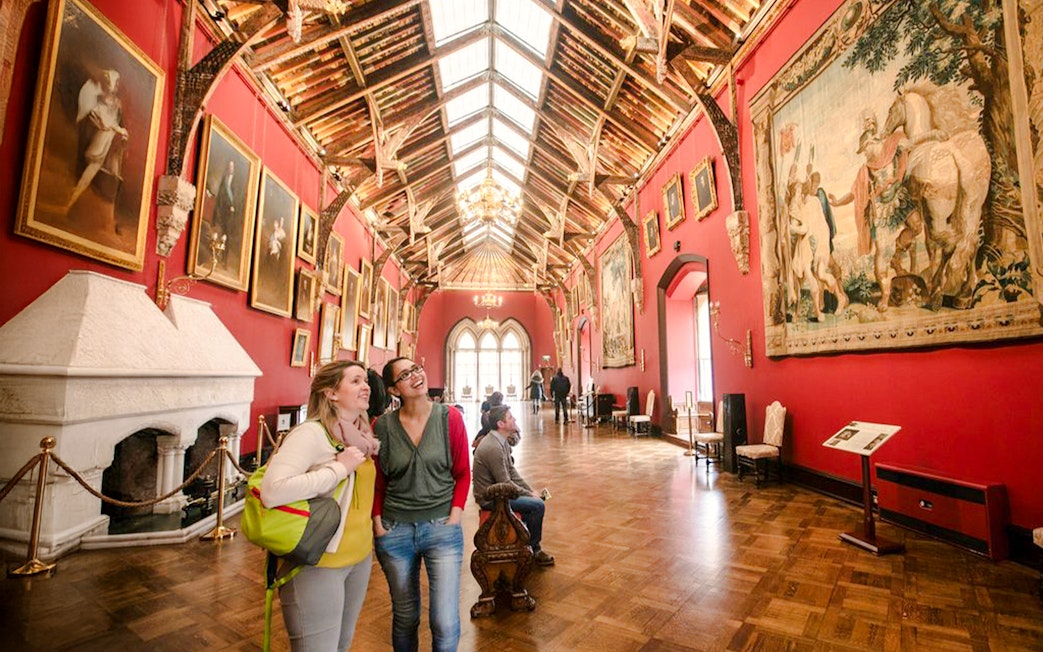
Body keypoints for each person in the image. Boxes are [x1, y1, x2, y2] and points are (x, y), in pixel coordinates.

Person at [259, 360, 379, 651]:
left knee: (341, 645)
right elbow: (272, 491)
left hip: (359, 558)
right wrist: (338, 469)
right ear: (330, 393)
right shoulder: (310, 433)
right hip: (319, 562)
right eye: (355, 381)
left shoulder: (362, 436)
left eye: (366, 381)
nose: (366, 387)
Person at [373, 357, 471, 652]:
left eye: (416, 368)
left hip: (442, 528)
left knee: (444, 621)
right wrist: (378, 523)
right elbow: (378, 482)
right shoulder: (382, 426)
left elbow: (463, 473)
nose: (416, 375)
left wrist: (454, 516)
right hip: (394, 530)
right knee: (405, 617)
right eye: (405, 374)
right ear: (393, 389)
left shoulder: (449, 417)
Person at [472, 405, 554, 566]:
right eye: (510, 418)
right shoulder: (493, 447)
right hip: (490, 497)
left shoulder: (501, 441)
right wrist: (530, 496)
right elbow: (506, 483)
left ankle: (525, 545)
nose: (515, 420)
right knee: (538, 505)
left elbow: (512, 472)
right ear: (500, 424)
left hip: (500, 491)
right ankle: (534, 549)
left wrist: (530, 490)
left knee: (536, 501)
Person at [67, 69, 128, 213]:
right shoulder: (99, 100)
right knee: (85, 174)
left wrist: (123, 133)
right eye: (116, 82)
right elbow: (104, 122)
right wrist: (120, 130)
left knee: (92, 177)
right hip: (97, 143)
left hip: (108, 146)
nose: (117, 85)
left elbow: (116, 122)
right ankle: (69, 203)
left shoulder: (117, 103)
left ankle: (72, 205)